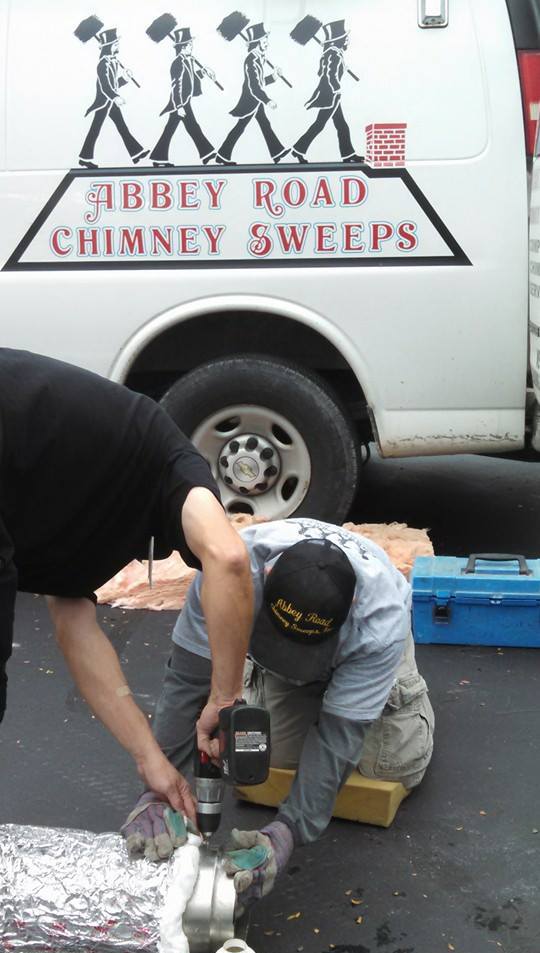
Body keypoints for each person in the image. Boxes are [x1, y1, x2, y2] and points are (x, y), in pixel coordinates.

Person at [122, 517, 434, 910]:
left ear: (352, 607)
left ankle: (394, 687)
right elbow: (186, 682)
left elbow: (338, 738)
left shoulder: (378, 620)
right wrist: (159, 788)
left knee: (396, 764)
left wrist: (287, 831)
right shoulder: (228, 572)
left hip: (364, 652)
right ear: (265, 576)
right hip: (265, 620)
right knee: (267, 758)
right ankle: (243, 671)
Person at [0, 348, 253, 824]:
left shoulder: (89, 489)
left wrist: (154, 756)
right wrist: (224, 700)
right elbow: (229, 556)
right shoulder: (164, 461)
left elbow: (75, 627)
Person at [216, 23, 288, 165]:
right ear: (257, 42)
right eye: (264, 40)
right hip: (250, 99)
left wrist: (274, 77)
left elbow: (260, 82)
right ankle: (222, 155)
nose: (267, 43)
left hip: (255, 99)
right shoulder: (251, 60)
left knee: (263, 124)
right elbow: (254, 86)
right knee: (241, 127)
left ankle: (277, 152)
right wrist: (267, 100)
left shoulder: (258, 58)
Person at [292, 19, 363, 164]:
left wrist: (341, 64)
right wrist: (336, 88)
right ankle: (298, 149)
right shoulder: (334, 54)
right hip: (330, 95)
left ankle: (348, 155)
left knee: (339, 125)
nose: (347, 41)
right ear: (339, 40)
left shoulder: (333, 53)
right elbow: (329, 75)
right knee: (321, 124)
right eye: (345, 38)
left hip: (330, 94)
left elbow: (323, 72)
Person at [78, 27, 149, 170]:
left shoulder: (112, 62)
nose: (118, 46)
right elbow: (105, 86)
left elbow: (113, 83)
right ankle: (84, 158)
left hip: (109, 102)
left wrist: (125, 78)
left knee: (121, 127)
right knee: (95, 129)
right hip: (104, 102)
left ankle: (136, 153)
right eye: (116, 44)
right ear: (109, 46)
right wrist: (115, 97)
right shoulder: (103, 63)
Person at [150, 27, 216, 168]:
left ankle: (206, 153)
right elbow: (177, 85)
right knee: (181, 128)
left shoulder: (188, 60)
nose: (192, 47)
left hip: (185, 100)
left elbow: (190, 79)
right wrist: (179, 106)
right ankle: (206, 153)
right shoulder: (178, 63)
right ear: (183, 47)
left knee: (188, 127)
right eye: (189, 45)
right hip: (179, 101)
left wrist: (204, 73)